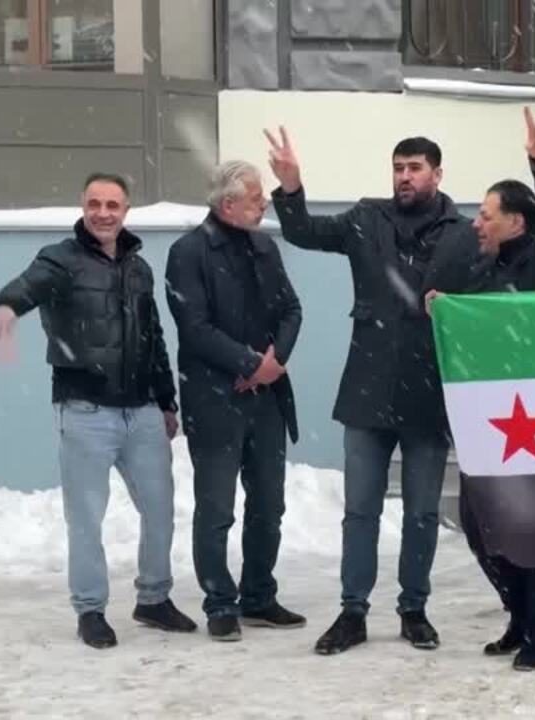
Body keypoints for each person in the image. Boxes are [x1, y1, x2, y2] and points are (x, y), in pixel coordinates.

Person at [266, 130, 474, 654]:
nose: (405, 176)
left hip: (428, 393)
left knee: (423, 511)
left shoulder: (463, 235)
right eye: (399, 167)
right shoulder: (365, 219)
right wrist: (291, 188)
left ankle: (414, 609)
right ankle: (352, 612)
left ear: (438, 174)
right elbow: (305, 232)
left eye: (416, 167)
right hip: (369, 388)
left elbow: (490, 301)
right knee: (360, 510)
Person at [0, 172, 195, 649]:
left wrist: (166, 399)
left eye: (113, 205)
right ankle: (91, 609)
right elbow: (26, 286)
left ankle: (153, 598)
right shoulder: (60, 260)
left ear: (126, 211)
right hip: (86, 411)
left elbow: (154, 336)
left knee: (160, 509)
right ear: (83, 206)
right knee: (86, 517)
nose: (103, 213)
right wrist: (6, 308)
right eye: (95, 204)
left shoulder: (138, 268)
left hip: (141, 410)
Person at [424, 106, 535, 670]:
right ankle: (517, 615)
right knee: (482, 524)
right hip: (493, 426)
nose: (477, 223)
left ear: (517, 221)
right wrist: (446, 313)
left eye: (488, 214)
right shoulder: (482, 272)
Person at [165, 161, 306, 642]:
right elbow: (195, 328)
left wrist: (274, 360)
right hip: (214, 399)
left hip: (267, 399)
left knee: (270, 503)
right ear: (228, 205)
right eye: (256, 198)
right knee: (217, 508)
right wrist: (249, 364)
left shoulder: (266, 247)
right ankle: (219, 602)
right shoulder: (188, 252)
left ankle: (259, 596)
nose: (264, 203)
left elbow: (291, 308)